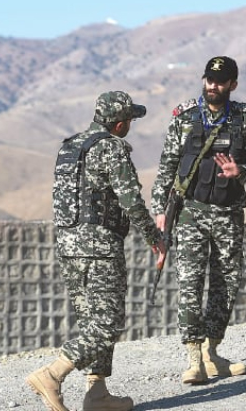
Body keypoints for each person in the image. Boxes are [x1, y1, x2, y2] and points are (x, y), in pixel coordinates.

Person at [26, 90, 166, 411]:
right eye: (129, 120)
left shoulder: (70, 147)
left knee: (92, 321)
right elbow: (131, 200)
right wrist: (153, 237)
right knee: (109, 323)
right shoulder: (111, 148)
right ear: (119, 124)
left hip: (68, 246)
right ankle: (52, 374)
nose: (130, 125)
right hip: (99, 248)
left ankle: (98, 393)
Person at [150, 56, 246, 385]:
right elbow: (167, 166)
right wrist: (160, 211)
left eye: (220, 81)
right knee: (190, 283)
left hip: (229, 213)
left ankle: (212, 352)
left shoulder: (244, 119)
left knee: (226, 284)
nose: (213, 86)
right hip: (191, 212)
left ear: (233, 84)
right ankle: (194, 359)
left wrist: (242, 170)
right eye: (209, 79)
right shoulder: (185, 117)